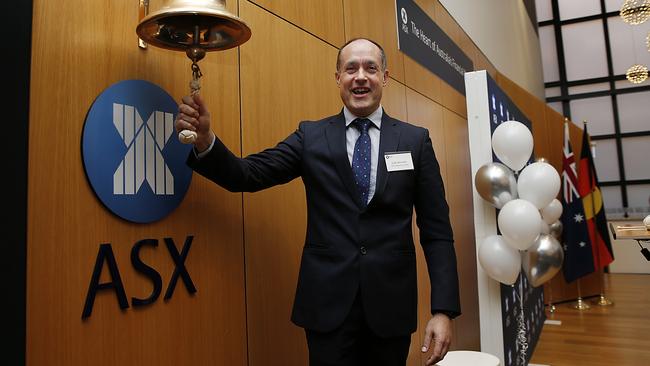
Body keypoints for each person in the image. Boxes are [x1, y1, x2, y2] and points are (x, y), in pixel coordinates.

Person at [175, 38, 460, 366]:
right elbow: (247, 174)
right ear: (338, 77)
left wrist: (443, 310)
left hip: (390, 311)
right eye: (350, 68)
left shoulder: (415, 140)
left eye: (370, 67)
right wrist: (206, 140)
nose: (360, 76)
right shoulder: (311, 137)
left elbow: (437, 231)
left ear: (385, 76)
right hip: (327, 309)